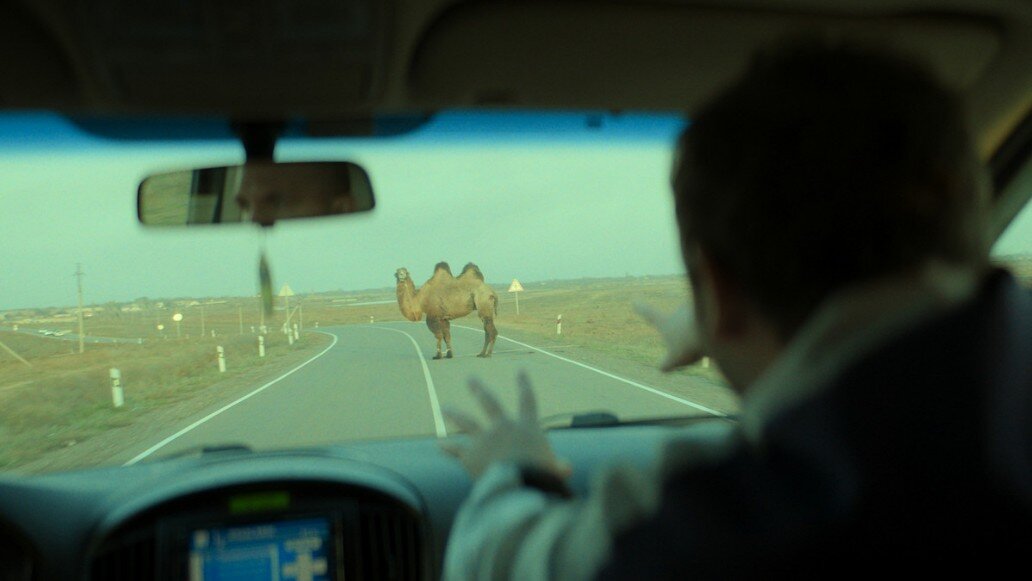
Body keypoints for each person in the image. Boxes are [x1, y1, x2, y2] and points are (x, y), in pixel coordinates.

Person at [439, 39, 1032, 579]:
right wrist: (725, 319)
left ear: (718, 289)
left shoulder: (723, 527)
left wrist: (512, 470)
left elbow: (508, 559)